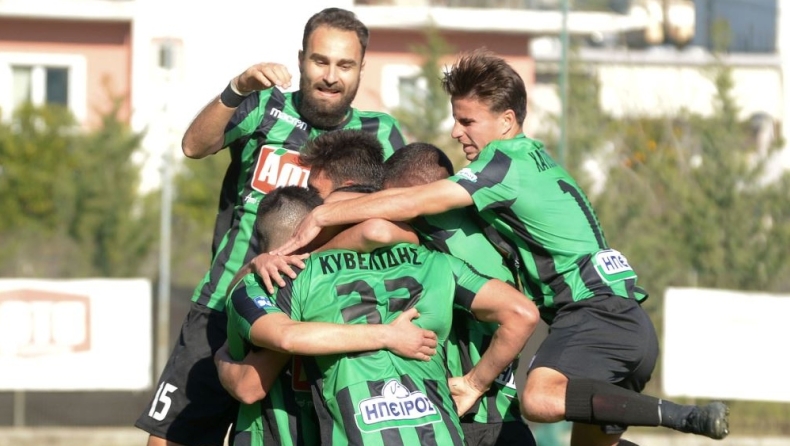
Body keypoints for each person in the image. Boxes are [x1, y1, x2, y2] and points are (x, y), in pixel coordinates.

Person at [271, 49, 730, 445]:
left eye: (467, 120)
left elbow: (415, 202)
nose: (456, 131)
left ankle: (682, 415)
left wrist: (323, 216)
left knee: (539, 398)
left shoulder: (502, 162)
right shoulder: (534, 158)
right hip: (630, 324)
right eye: (456, 119)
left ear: (507, 121)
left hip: (592, 315)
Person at [135, 7, 406, 446]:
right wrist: (237, 88)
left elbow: (405, 214)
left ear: (361, 69)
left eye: (344, 65)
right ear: (301, 59)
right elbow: (193, 146)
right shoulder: (264, 107)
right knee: (167, 441)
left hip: (316, 319)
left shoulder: (382, 132)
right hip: (226, 304)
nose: (331, 76)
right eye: (320, 61)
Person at [241, 185, 540, 445]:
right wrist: (474, 384)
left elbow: (255, 376)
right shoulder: (437, 263)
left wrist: (259, 264)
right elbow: (522, 313)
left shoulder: (296, 277)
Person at [224, 185, 437, 446]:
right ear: (305, 234)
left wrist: (220, 359)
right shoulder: (304, 287)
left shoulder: (260, 286)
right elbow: (254, 380)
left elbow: (247, 386)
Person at [383, 143, 536, 446]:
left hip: (466, 416)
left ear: (413, 195)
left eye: (389, 200)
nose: (385, 210)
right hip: (504, 415)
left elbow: (519, 315)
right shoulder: (487, 228)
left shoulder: (433, 233)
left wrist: (473, 384)